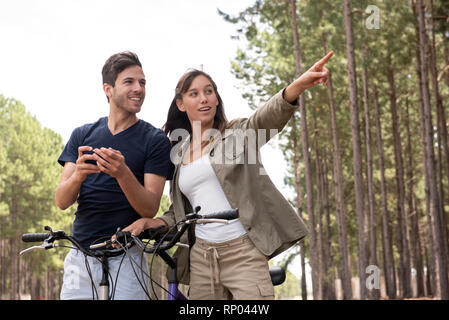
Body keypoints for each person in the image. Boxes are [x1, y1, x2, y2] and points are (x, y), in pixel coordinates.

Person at [123, 51, 334, 299]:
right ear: (181, 104)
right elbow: (179, 213)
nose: (204, 99)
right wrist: (151, 223)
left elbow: (265, 119)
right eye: (194, 94)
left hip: (243, 252)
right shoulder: (178, 154)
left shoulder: (236, 134)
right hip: (201, 257)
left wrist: (297, 86)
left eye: (209, 91)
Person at [55, 51, 173, 300]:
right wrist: (77, 177)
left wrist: (122, 173)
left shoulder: (155, 140)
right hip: (80, 257)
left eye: (142, 82)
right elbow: (62, 201)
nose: (138, 89)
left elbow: (149, 208)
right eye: (129, 82)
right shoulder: (82, 135)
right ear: (108, 89)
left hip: (127, 258)